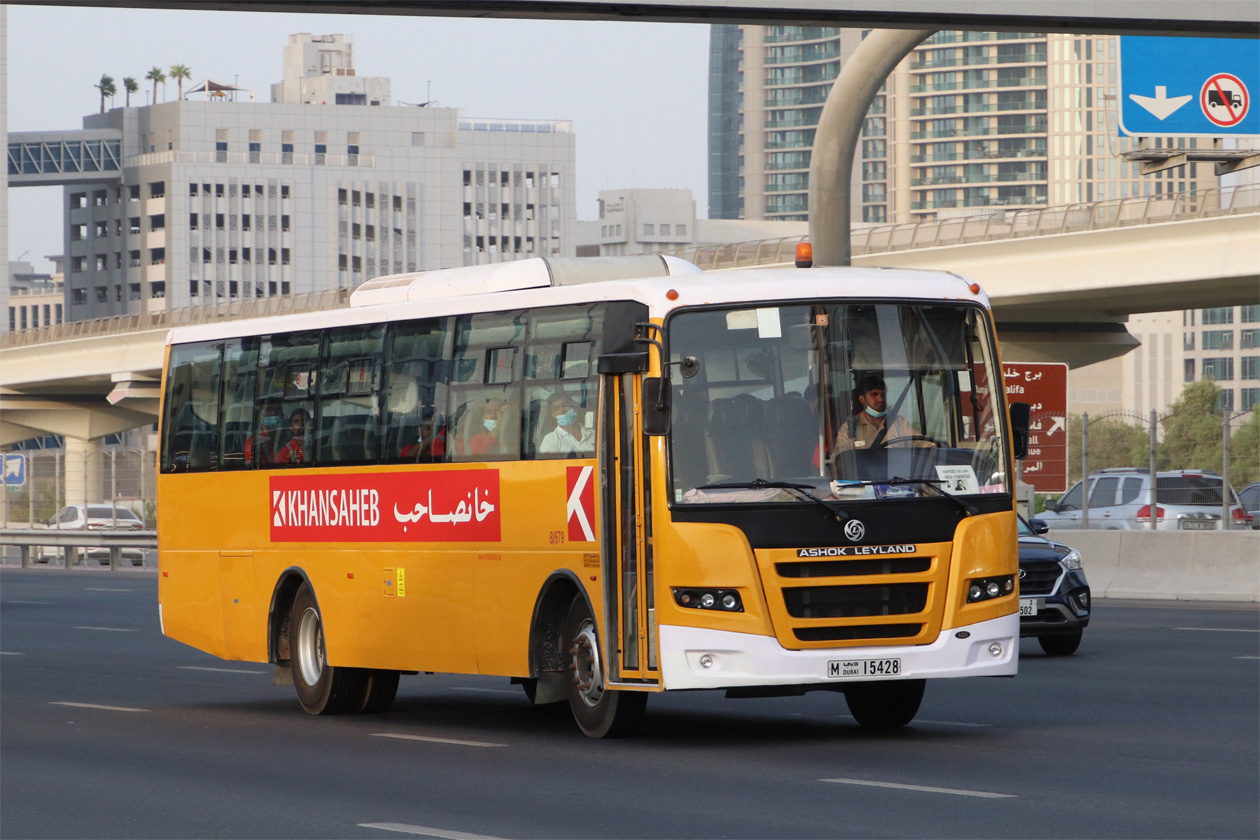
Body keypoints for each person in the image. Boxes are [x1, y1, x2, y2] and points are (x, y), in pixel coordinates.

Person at [832, 374, 930, 454]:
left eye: (883, 394)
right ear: (862, 399)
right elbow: (840, 457)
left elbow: (925, 444)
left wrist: (935, 448)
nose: (880, 399)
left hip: (898, 472)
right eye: (874, 394)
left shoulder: (900, 423)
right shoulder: (851, 427)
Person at [539, 392, 595, 456]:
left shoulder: (594, 434)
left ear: (573, 406)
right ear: (553, 415)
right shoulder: (551, 439)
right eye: (556, 408)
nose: (562, 410)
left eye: (565, 405)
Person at [244, 401, 284, 465]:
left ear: (282, 414)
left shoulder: (288, 440)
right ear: (261, 414)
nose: (273, 412)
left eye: (277, 409)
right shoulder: (253, 443)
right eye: (269, 409)